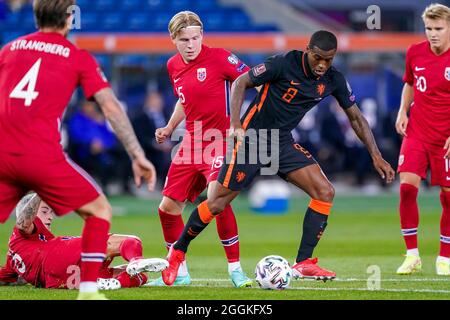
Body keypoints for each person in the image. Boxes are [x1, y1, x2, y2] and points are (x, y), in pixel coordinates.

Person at [162, 30, 395, 285]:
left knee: (324, 191)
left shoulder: (333, 79)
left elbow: (356, 117)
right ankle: (179, 251)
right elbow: (241, 82)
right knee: (216, 203)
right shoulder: (282, 63)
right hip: (252, 138)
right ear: (308, 50)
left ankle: (303, 262)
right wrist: (236, 124)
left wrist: (376, 154)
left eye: (328, 60)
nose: (322, 65)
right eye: (318, 58)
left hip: (281, 141)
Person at [0, 0, 156, 299]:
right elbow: (109, 106)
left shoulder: (9, 49)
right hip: (41, 154)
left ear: (36, 17)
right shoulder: (76, 56)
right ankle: (88, 291)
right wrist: (137, 155)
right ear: (70, 19)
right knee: (99, 210)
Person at [150, 11, 252, 287]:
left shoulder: (220, 57)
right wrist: (170, 128)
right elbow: (184, 100)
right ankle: (179, 272)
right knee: (167, 208)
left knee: (217, 198)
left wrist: (239, 122)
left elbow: (252, 80)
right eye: (185, 39)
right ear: (173, 40)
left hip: (220, 141)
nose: (192, 44)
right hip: (191, 143)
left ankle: (236, 270)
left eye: (196, 38)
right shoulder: (173, 66)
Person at [0, 193, 168, 290]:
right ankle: (136, 260)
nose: (50, 216)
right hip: (57, 256)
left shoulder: (14, 256)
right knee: (132, 241)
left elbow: (10, 278)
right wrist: (40, 190)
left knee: (140, 276)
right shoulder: (25, 229)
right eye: (44, 211)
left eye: (51, 211)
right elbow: (23, 222)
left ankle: (116, 281)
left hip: (60, 280)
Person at [395, 3, 450, 276]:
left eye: (438, 29)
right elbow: (409, 83)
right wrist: (403, 110)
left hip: (446, 138)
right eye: (429, 28)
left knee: (448, 198)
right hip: (417, 131)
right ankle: (412, 255)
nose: (433, 34)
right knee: (406, 189)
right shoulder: (414, 52)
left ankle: (445, 256)